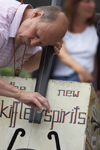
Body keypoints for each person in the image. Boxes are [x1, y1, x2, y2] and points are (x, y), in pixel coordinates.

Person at [0, 0, 69, 113]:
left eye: (40, 43)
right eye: (36, 35)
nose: (32, 43)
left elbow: (26, 66)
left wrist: (49, 52)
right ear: (36, 15)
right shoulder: (2, 23)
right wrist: (19, 94)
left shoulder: (26, 30)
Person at [50, 0, 99, 87]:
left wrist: (96, 86)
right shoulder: (60, 25)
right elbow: (62, 53)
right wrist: (82, 71)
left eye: (93, 2)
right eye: (87, 2)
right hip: (59, 78)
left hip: (86, 80)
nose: (92, 5)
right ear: (74, 5)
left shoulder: (96, 26)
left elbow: (95, 59)